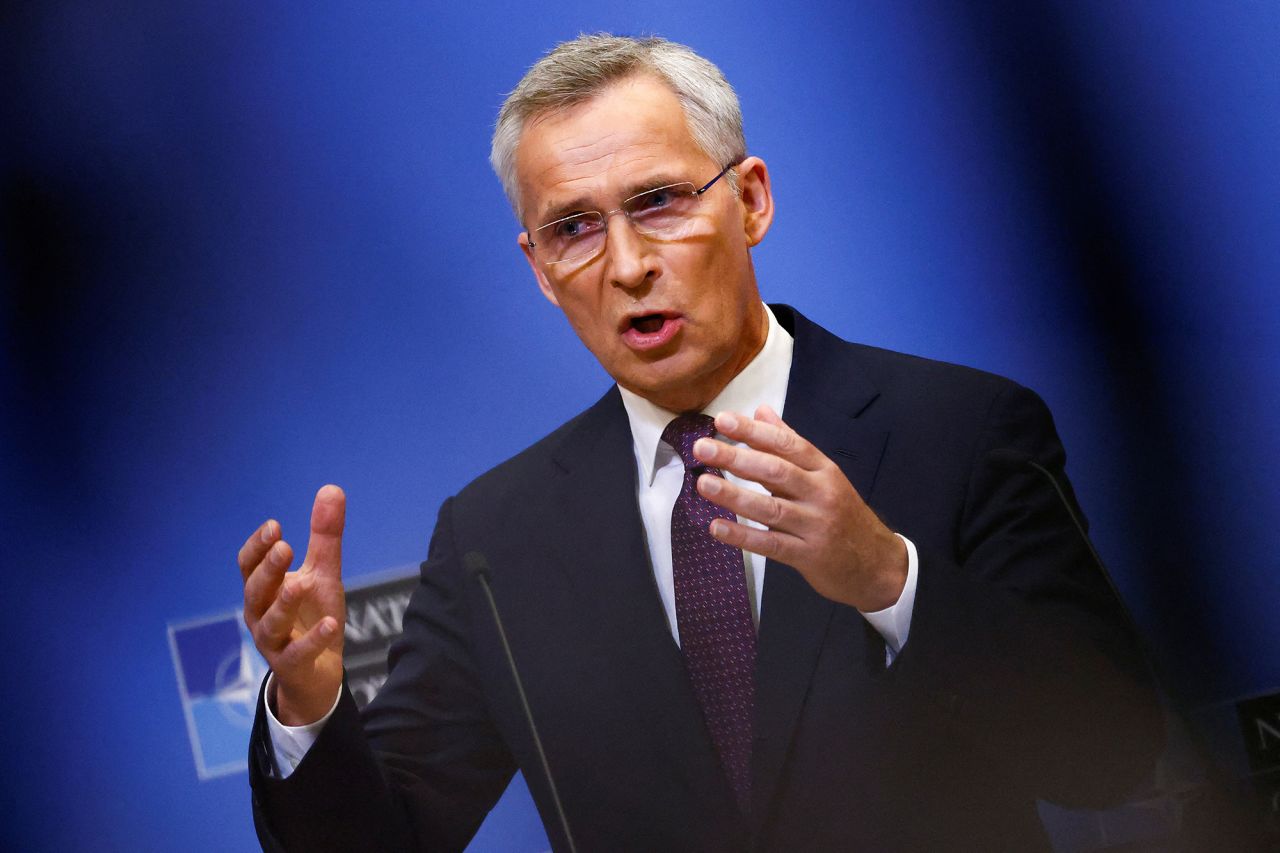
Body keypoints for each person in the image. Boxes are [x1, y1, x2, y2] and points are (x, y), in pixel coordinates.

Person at [239, 34, 1162, 852]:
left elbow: (1109, 754)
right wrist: (313, 712)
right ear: (539, 270)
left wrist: (888, 577)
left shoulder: (957, 429)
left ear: (751, 201)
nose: (629, 263)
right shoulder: (495, 538)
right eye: (574, 228)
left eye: (659, 202)